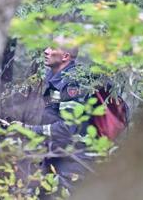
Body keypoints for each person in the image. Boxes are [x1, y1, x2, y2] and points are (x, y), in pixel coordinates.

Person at [23, 41, 90, 196]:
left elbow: (67, 129)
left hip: (74, 159)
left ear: (66, 56)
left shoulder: (74, 82)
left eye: (53, 48)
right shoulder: (53, 77)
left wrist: (31, 129)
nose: (46, 51)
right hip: (56, 153)